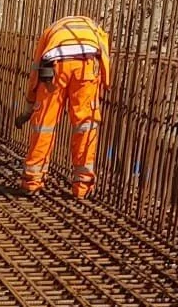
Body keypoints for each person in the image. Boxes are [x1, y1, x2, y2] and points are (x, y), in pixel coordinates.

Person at [18, 14, 111, 199]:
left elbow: (36, 68)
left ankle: (32, 182)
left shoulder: (51, 30)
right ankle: (83, 187)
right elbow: (105, 59)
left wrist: (30, 101)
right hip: (87, 67)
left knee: (45, 125)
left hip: (54, 68)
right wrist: (105, 85)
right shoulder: (95, 30)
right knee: (85, 126)